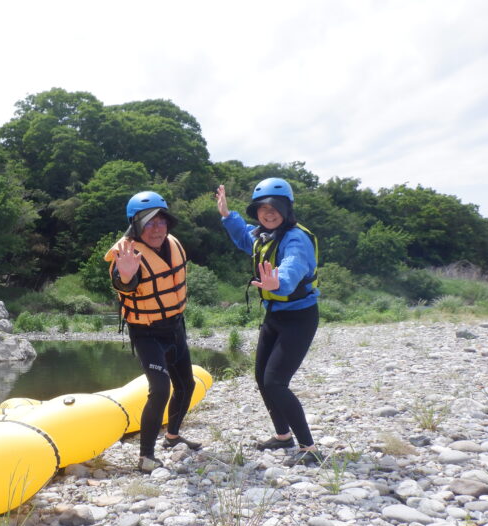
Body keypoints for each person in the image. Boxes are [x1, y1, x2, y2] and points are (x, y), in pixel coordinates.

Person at [216, 178, 324, 466]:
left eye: (274, 207)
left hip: (299, 318)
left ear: (287, 209)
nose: (268, 213)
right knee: (262, 380)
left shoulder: (295, 239)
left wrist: (278, 282)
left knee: (276, 382)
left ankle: (309, 449)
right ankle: (282, 436)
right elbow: (243, 238)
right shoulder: (264, 236)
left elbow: (292, 267)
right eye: (262, 208)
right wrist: (228, 216)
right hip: (275, 315)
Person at [104, 191, 200, 473]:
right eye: (148, 223)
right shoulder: (125, 254)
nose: (156, 228)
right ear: (135, 225)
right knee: (160, 389)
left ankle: (172, 436)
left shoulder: (172, 244)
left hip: (175, 326)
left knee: (187, 385)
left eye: (161, 221)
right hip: (146, 332)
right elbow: (125, 284)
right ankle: (146, 456)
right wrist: (125, 275)